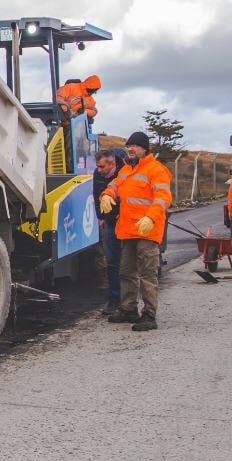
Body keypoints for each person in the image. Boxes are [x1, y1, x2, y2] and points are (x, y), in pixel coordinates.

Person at [100, 131, 172, 332]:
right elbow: (113, 185)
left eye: (135, 146)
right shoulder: (125, 170)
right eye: (128, 146)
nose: (130, 149)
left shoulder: (156, 170)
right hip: (128, 231)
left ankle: (149, 315)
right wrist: (106, 195)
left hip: (147, 231)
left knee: (147, 274)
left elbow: (163, 198)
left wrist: (150, 217)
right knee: (126, 272)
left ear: (144, 148)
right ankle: (128, 309)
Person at [93, 148, 127, 315]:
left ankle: (129, 302)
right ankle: (114, 300)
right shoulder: (98, 175)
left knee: (128, 263)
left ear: (112, 163)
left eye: (102, 167)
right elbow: (96, 195)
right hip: (110, 223)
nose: (99, 170)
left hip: (127, 222)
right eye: (97, 167)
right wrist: (101, 217)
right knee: (112, 263)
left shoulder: (126, 172)